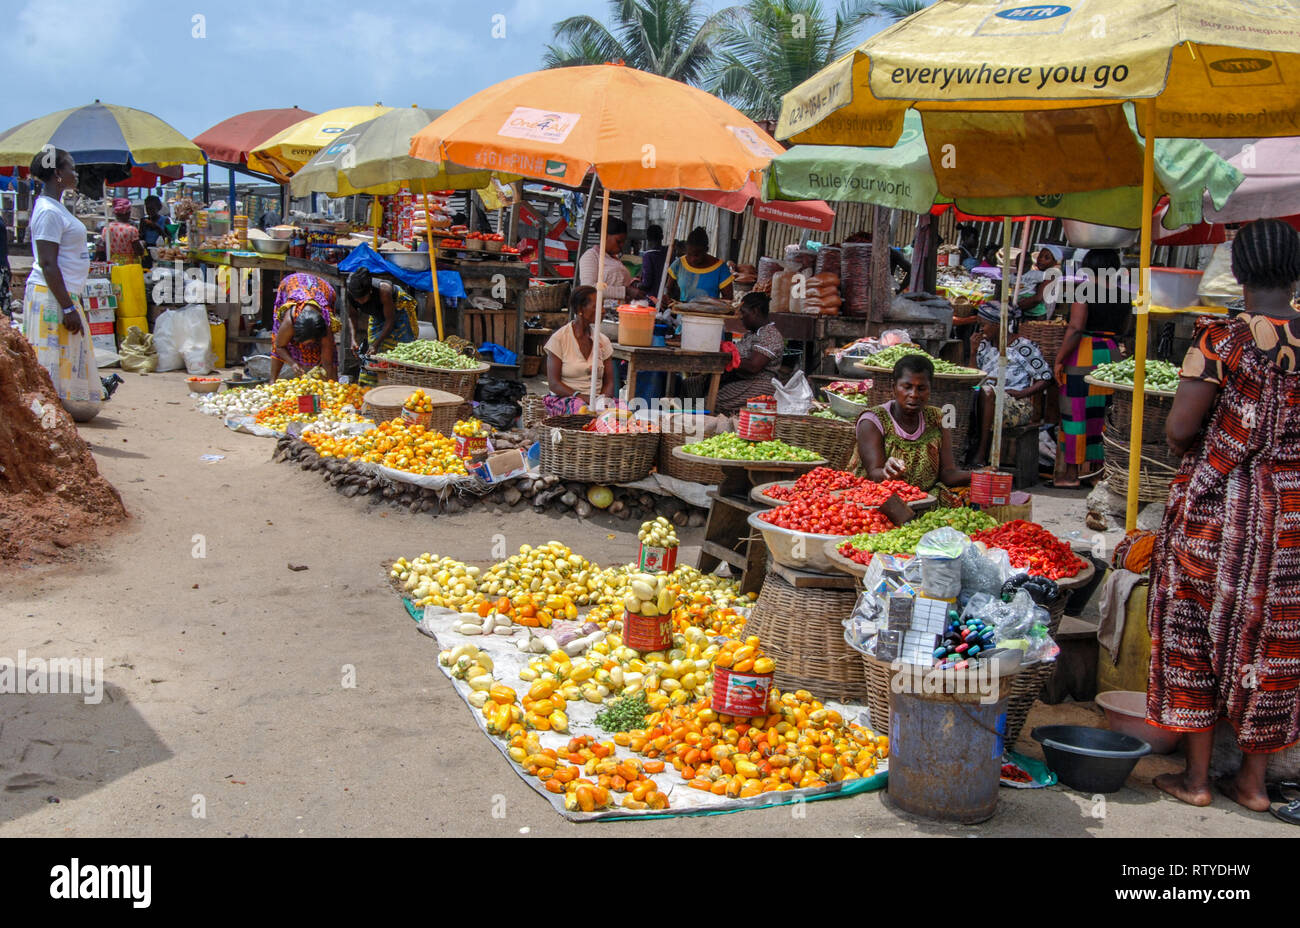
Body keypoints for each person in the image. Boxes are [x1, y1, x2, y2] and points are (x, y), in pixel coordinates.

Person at [1146, 219, 1300, 823]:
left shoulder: (1221, 341)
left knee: (1191, 633)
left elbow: (1181, 431)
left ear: (1236, 271)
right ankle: (1255, 785)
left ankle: (1197, 778)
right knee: (1275, 641)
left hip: (1221, 514)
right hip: (1289, 520)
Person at [22, 148, 97, 406]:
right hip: (51, 298)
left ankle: (57, 421)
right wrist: (67, 306)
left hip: (62, 295)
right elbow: (47, 263)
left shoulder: (56, 208)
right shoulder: (49, 212)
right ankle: (50, 423)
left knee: (64, 361)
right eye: (71, 168)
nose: (75, 174)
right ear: (57, 173)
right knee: (51, 365)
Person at [1053, 247, 1129, 487]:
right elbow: (1126, 330)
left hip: (1084, 354)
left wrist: (1059, 359)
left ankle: (1072, 474)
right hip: (1111, 353)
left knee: (1075, 412)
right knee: (1103, 414)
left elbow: (1075, 328)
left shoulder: (1084, 291)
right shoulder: (1124, 295)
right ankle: (1097, 473)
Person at [854, 354, 971, 496]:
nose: (914, 394)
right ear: (894, 388)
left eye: (921, 388)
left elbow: (948, 473)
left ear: (930, 390)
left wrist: (979, 475)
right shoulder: (873, 420)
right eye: (907, 387)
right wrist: (887, 472)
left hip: (924, 498)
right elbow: (874, 473)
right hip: (881, 498)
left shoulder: (939, 418)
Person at [968, 301, 1051, 466]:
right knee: (973, 394)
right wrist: (972, 352)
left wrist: (1022, 393)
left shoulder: (1023, 346)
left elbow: (1046, 378)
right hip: (983, 395)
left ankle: (981, 452)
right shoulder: (983, 345)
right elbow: (973, 377)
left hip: (1016, 404)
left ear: (998, 325)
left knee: (987, 393)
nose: (981, 330)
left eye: (983, 325)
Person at [543, 284, 615, 414]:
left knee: (625, 412)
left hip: (597, 399)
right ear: (580, 309)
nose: (603, 310)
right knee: (582, 411)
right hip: (566, 399)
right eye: (597, 306)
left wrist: (603, 401)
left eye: (603, 306)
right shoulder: (559, 339)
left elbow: (609, 382)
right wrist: (581, 397)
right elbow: (554, 383)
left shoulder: (603, 341)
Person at [345, 268, 419, 386]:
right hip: (377, 315)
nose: (359, 301)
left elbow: (390, 320)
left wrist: (376, 344)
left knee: (401, 352)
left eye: (362, 298)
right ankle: (371, 386)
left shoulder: (384, 291)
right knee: (371, 355)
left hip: (398, 312)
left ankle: (401, 385)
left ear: (369, 291)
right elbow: (352, 316)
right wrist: (353, 339)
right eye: (356, 299)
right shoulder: (352, 294)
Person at [714, 292, 783, 413]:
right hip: (741, 380)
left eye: (743, 312)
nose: (741, 317)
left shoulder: (770, 335)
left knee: (711, 399)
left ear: (755, 311)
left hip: (758, 385)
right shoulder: (751, 334)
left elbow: (753, 366)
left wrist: (727, 358)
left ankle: (697, 422)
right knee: (692, 384)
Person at [270, 273, 339, 381]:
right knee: (277, 336)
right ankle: (271, 381)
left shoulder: (326, 324)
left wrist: (332, 385)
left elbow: (328, 361)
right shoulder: (289, 321)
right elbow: (279, 346)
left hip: (323, 289)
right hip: (292, 284)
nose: (307, 347)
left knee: (330, 351)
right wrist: (292, 363)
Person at [578, 217, 645, 302]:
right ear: (605, 236)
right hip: (599, 311)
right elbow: (588, 288)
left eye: (623, 242)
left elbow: (617, 281)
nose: (621, 246)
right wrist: (626, 291)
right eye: (618, 241)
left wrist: (633, 283)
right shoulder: (590, 256)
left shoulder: (614, 259)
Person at [666, 227, 734, 303]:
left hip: (710, 314)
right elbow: (668, 288)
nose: (692, 259)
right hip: (683, 314)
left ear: (706, 250)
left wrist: (709, 304)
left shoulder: (720, 268)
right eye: (689, 254)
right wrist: (666, 297)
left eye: (697, 255)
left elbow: (728, 298)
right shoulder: (679, 264)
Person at [1016, 245, 1062, 319]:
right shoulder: (1040, 274)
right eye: (1040, 256)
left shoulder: (1052, 273)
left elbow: (1037, 299)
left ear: (1054, 262)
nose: (1041, 259)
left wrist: (1016, 306)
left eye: (1046, 258)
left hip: (1039, 317)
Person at [100, 198, 144, 265]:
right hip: (130, 264)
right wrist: (142, 245)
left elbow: (105, 248)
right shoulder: (131, 230)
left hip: (113, 263)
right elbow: (139, 251)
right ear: (128, 213)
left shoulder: (106, 228)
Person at [636, 223, 668, 298]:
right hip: (667, 297)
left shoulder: (648, 256)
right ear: (662, 237)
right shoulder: (669, 253)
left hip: (653, 299)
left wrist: (636, 284)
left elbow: (646, 284)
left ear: (647, 238)